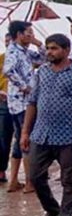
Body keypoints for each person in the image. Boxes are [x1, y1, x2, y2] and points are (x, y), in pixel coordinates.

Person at [21, 34, 72, 216]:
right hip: (41, 135)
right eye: (48, 48)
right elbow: (32, 102)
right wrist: (25, 132)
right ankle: (52, 211)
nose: (49, 52)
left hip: (68, 136)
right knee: (34, 176)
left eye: (54, 49)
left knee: (68, 181)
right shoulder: (42, 71)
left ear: (66, 50)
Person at [3, 21, 45, 193]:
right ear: (19, 34)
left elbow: (43, 58)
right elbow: (8, 71)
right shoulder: (14, 51)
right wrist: (24, 87)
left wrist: (38, 44)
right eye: (29, 33)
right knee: (27, 139)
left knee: (20, 140)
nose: (31, 35)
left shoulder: (25, 52)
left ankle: (14, 181)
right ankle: (29, 182)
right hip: (21, 102)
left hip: (20, 102)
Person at [0, 34, 11, 185]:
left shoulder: (27, 57)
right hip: (3, 102)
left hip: (22, 103)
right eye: (7, 42)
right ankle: (1, 170)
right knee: (3, 138)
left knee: (26, 139)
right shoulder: (1, 58)